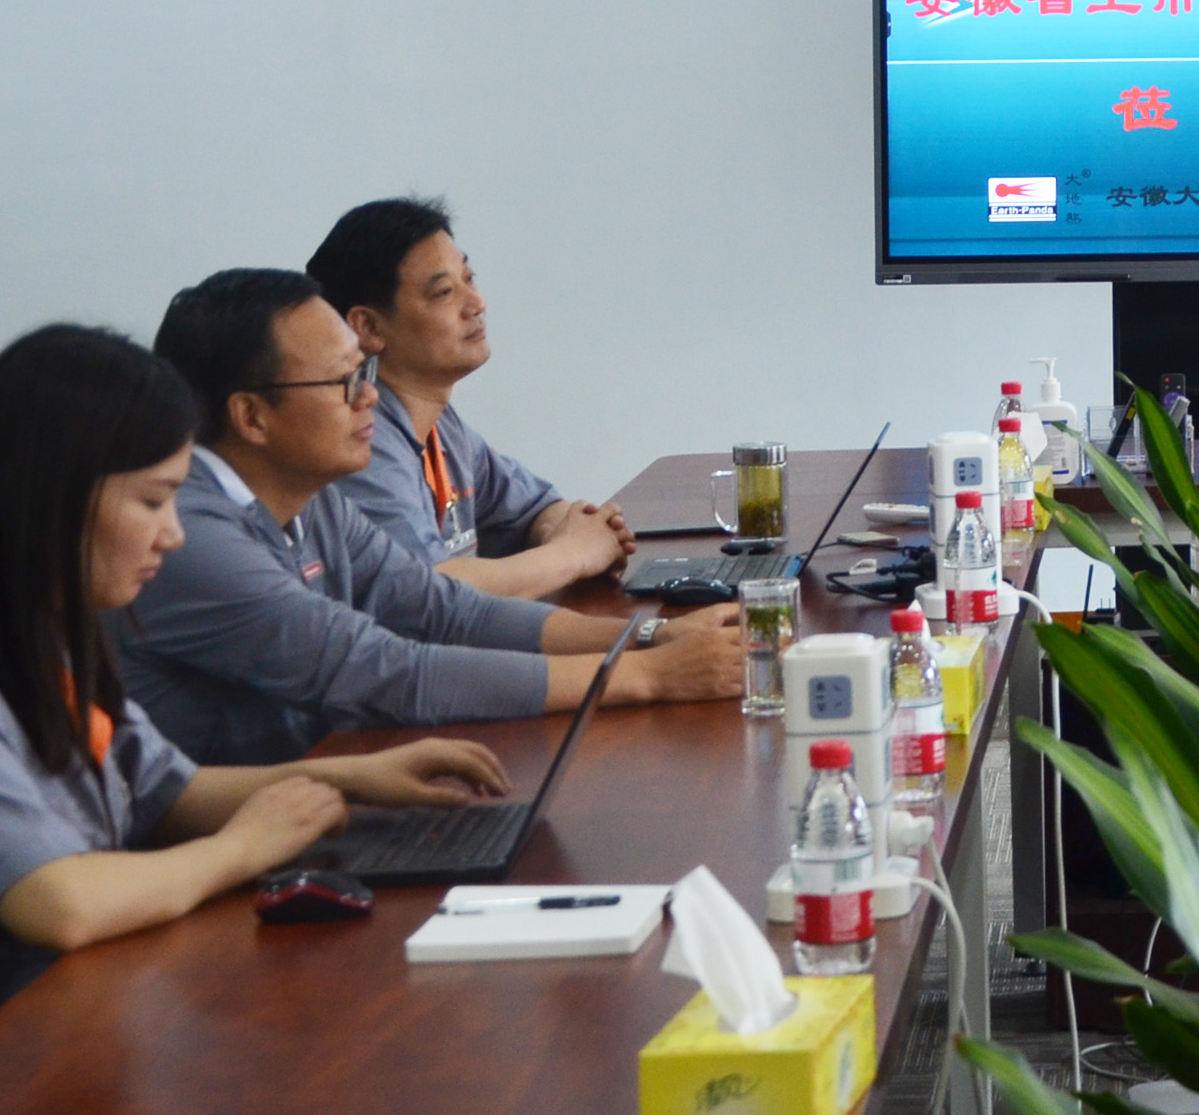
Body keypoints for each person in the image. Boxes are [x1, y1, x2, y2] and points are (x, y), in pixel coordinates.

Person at [0, 324, 510, 1097]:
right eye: (153, 500)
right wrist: (242, 850)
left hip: (49, 1041)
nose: (174, 534)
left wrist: (350, 777)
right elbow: (60, 904)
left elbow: (166, 792)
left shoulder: (43, 638)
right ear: (51, 500)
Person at [112, 268, 741, 764]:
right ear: (251, 416)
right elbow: (390, 672)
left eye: (364, 372)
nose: (368, 395)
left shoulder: (314, 498)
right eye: (342, 381)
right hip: (225, 851)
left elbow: (447, 611)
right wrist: (647, 676)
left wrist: (652, 637)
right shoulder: (187, 537)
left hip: (324, 787)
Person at [310, 196, 632, 596]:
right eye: (445, 292)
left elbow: (535, 508)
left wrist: (574, 532)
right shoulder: (361, 440)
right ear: (369, 327)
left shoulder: (442, 426)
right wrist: (574, 554)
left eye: (470, 278)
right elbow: (429, 596)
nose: (477, 304)